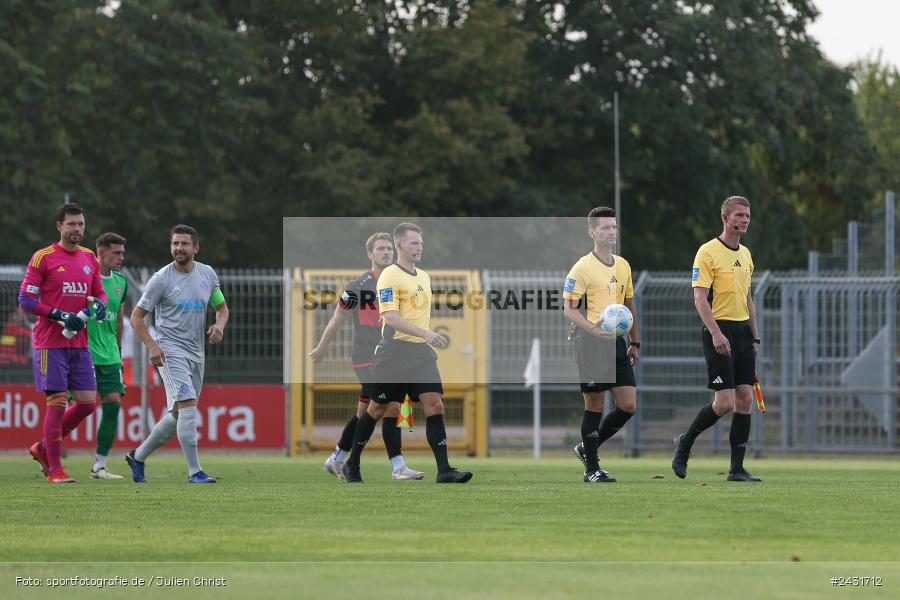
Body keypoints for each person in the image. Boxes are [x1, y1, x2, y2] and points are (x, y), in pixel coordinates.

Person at [342, 223, 472, 484]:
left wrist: (424, 337)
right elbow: (390, 317)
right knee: (377, 409)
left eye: (421, 243)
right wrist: (426, 334)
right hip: (394, 353)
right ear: (399, 245)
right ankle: (352, 463)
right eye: (414, 242)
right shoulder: (389, 276)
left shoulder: (424, 276)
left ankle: (444, 470)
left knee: (435, 404)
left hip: (420, 353)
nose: (420, 247)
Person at [310, 232, 424, 481]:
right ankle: (397, 467)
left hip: (391, 356)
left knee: (365, 413)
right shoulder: (358, 286)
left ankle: (337, 457)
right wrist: (321, 348)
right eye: (380, 249)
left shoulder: (399, 281)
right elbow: (337, 318)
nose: (386, 253)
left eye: (389, 249)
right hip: (366, 357)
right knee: (391, 406)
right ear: (370, 254)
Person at [126, 224, 229, 484]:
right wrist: (152, 345)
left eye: (184, 243)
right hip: (170, 352)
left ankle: (137, 456)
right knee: (188, 405)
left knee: (179, 414)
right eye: (175, 243)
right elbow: (136, 317)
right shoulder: (161, 279)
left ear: (196, 247)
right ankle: (195, 472)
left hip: (197, 353)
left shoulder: (207, 274)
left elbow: (221, 307)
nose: (178, 248)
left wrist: (219, 325)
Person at [672, 196, 761, 482]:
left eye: (747, 215)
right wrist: (716, 333)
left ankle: (736, 469)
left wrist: (755, 337)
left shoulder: (746, 255)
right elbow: (699, 298)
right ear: (725, 218)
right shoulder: (707, 252)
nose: (744, 220)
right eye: (739, 215)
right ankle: (685, 443)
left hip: (743, 333)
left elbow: (748, 299)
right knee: (724, 402)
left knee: (745, 398)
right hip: (719, 330)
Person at [19, 203, 108, 483]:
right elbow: (26, 299)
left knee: (87, 404)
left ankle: (43, 448)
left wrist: (101, 306)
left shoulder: (89, 257)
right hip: (50, 343)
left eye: (80, 224)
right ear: (59, 226)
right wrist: (60, 315)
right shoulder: (43, 257)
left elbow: (100, 293)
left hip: (79, 344)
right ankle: (55, 470)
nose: (76, 229)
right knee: (57, 402)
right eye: (71, 224)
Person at [563, 207, 640, 483]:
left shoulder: (623, 265)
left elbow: (629, 306)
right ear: (592, 233)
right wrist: (592, 328)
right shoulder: (582, 267)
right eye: (605, 227)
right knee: (594, 404)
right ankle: (592, 469)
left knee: (628, 405)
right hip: (590, 342)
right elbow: (569, 308)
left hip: (616, 343)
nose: (611, 231)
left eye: (614, 226)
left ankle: (586, 448)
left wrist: (635, 341)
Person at [86, 232, 129, 480]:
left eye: (123, 252)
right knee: (79, 406)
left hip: (110, 355)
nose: (121, 257)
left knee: (113, 406)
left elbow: (119, 319)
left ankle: (99, 465)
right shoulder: (84, 278)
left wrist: (119, 351)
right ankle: (47, 450)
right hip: (84, 352)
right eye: (117, 252)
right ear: (101, 252)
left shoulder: (121, 282)